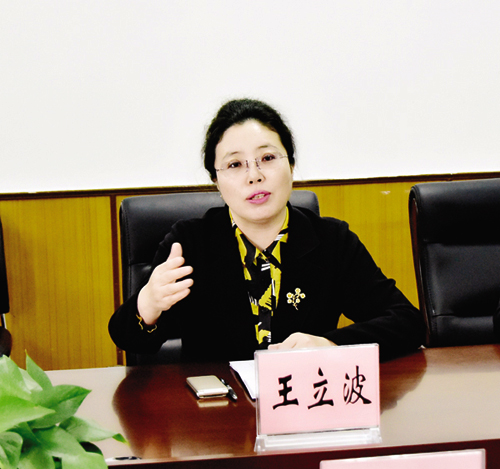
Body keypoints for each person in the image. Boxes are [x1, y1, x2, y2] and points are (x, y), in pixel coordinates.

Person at [109, 98, 425, 363]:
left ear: (292, 165)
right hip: (216, 411)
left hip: (304, 403)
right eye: (235, 165)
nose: (254, 176)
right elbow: (128, 339)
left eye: (268, 158)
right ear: (216, 181)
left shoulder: (331, 241)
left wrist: (331, 345)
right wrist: (148, 303)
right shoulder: (191, 243)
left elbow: (407, 322)